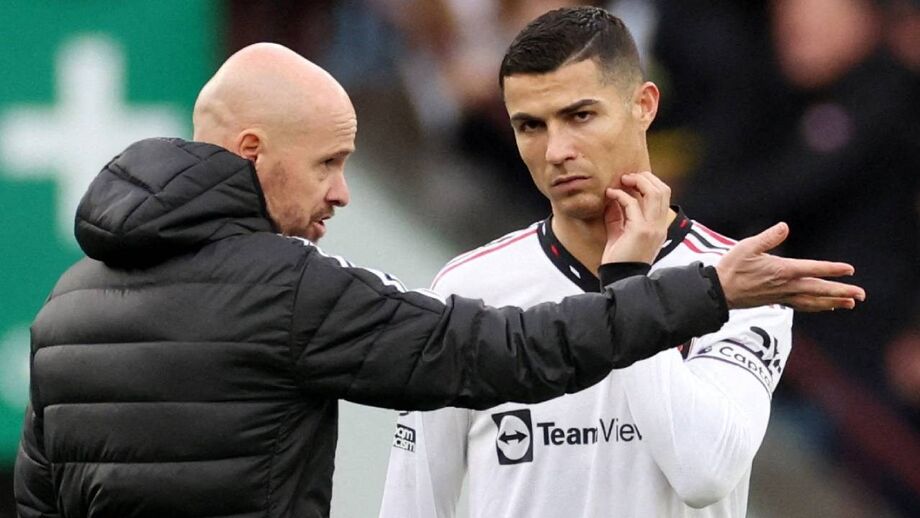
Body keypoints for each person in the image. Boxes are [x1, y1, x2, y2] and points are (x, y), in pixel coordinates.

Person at [14, 43, 862, 518]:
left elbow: (40, 504)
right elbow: (499, 352)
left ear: (642, 107)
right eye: (329, 163)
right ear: (252, 153)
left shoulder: (67, 306)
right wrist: (690, 289)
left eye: (578, 115)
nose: (342, 193)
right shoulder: (290, 286)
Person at [378, 7, 833, 517]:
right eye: (530, 125)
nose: (556, 150)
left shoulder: (740, 282)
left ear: (644, 105)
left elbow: (704, 472)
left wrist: (627, 284)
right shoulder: (466, 289)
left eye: (580, 116)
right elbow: (411, 503)